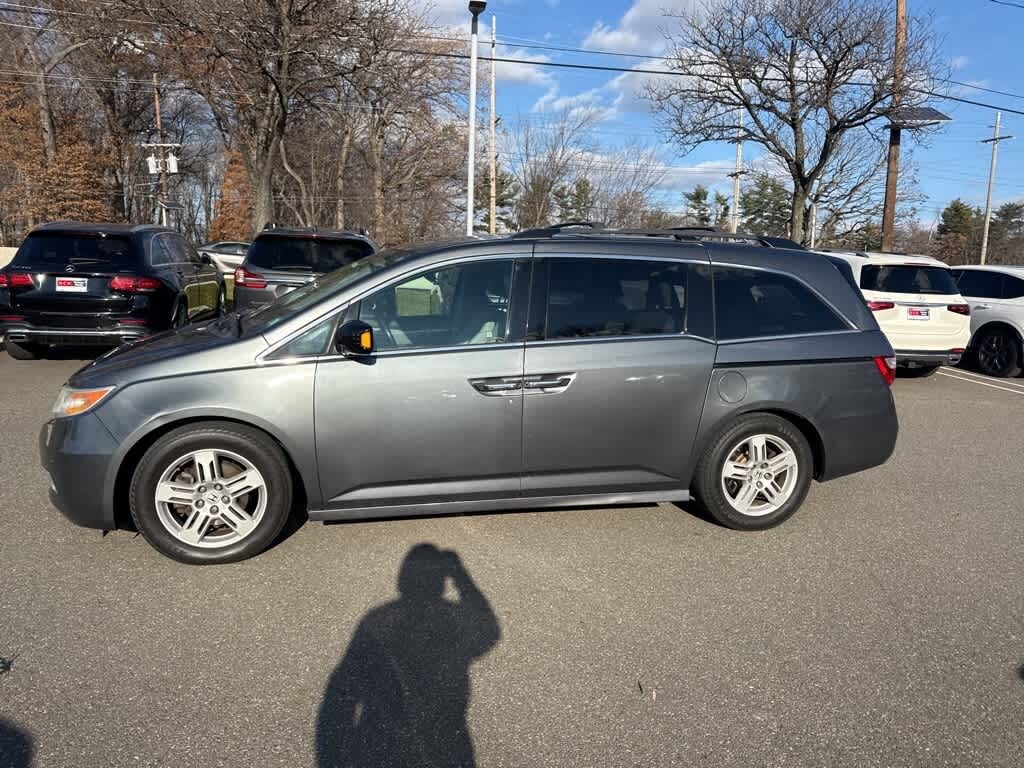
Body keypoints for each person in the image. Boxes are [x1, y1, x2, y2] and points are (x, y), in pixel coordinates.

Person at [316, 544, 500, 768]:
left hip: (381, 736)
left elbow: (341, 689)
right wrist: (461, 575)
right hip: (444, 735)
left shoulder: (377, 618)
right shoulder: (451, 616)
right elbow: (488, 630)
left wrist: (330, 758)